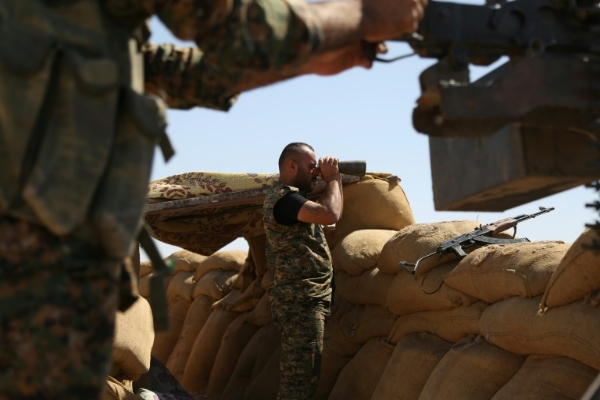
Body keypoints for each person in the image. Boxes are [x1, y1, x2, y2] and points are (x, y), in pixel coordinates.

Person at [0, 0, 426, 398]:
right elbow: (235, 27)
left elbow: (176, 71)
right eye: (310, 166)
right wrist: (359, 16)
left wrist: (315, 54)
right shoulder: (282, 198)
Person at [263, 143, 342, 399]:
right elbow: (330, 213)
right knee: (299, 385)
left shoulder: (290, 200)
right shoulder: (285, 199)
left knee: (302, 380)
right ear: (291, 166)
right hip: (301, 301)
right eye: (311, 167)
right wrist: (334, 179)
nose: (315, 172)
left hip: (304, 299)